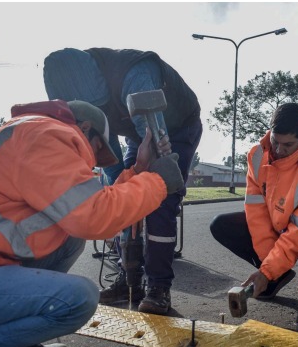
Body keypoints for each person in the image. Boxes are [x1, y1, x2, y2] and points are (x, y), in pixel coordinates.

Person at [0, 99, 183, 347]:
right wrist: (158, 181)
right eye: (98, 149)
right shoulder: (47, 134)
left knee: (69, 240)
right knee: (78, 300)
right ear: (85, 128)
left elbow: (94, 210)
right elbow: (95, 216)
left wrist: (139, 170)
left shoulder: (30, 132)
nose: (94, 161)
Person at [43, 47, 203, 315]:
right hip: (134, 135)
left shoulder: (135, 75)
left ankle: (158, 286)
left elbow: (155, 141)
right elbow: (110, 163)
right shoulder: (71, 89)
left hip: (174, 128)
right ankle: (128, 278)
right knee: (119, 196)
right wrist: (116, 190)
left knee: (160, 198)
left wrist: (157, 175)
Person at [210, 103, 298, 313]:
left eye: (288, 145)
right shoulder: (257, 156)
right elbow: (257, 214)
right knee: (221, 225)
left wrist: (266, 272)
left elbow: (297, 230)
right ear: (270, 131)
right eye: (275, 141)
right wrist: (268, 270)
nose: (279, 150)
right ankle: (276, 277)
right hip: (278, 220)